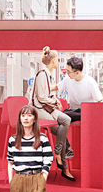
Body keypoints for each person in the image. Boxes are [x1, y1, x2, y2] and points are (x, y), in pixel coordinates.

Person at [32, 46, 75, 181]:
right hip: (39, 110)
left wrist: (54, 100)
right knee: (61, 130)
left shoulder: (47, 74)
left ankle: (58, 154)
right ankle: (63, 165)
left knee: (65, 121)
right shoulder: (41, 74)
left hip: (46, 108)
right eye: (57, 59)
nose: (58, 62)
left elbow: (45, 95)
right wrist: (55, 101)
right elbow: (41, 97)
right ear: (54, 60)